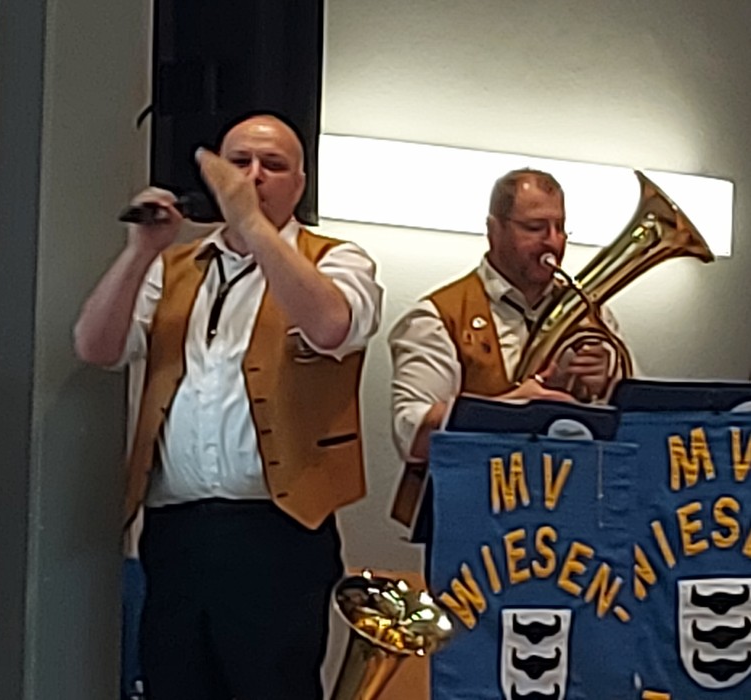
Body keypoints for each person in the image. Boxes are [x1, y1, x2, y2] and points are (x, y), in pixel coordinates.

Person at [73, 113, 382, 700]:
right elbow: (96, 347)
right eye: (239, 163)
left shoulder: (338, 260)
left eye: (273, 166)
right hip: (178, 530)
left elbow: (331, 326)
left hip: (279, 533)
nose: (253, 176)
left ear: (300, 182)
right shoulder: (175, 267)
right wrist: (141, 252)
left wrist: (252, 224)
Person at [389, 168, 623, 527]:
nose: (553, 242)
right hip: (473, 518)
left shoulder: (593, 315)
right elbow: (414, 436)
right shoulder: (437, 316)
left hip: (576, 513)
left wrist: (608, 385)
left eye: (560, 227)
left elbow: (636, 424)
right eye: (535, 227)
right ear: (493, 230)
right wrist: (515, 405)